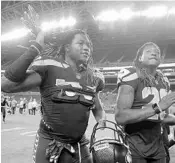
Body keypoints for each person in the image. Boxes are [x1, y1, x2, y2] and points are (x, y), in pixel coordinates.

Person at [1, 28, 106, 163]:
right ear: (67, 48)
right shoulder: (50, 67)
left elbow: (98, 108)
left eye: (89, 45)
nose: (86, 48)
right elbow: (6, 85)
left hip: (80, 145)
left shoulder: (94, 77)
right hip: (50, 143)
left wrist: (101, 119)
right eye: (80, 43)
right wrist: (35, 48)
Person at [115, 42, 175, 163]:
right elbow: (121, 116)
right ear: (139, 58)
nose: (154, 53)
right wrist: (157, 107)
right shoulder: (131, 75)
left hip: (158, 144)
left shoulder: (164, 81)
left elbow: (162, 117)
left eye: (157, 52)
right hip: (134, 143)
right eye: (148, 51)